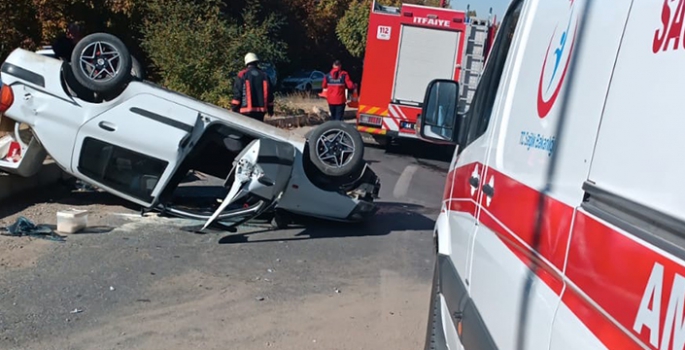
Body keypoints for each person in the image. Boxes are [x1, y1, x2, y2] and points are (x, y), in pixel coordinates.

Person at [231, 53, 274, 122]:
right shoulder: (264, 76)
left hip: (245, 111)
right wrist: (270, 109)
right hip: (261, 112)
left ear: (246, 63)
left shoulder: (242, 75)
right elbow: (270, 94)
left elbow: (238, 93)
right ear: (257, 62)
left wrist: (234, 108)